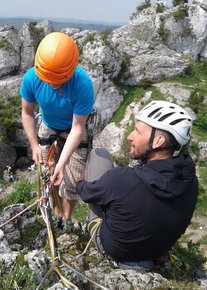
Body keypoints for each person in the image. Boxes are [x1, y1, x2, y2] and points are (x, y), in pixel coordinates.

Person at [76, 100, 198, 270]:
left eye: (137, 131)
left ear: (158, 141)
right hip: (155, 251)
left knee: (99, 154)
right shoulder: (190, 181)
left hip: (116, 250)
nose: (129, 136)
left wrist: (79, 181)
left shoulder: (123, 179)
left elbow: (86, 192)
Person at [20, 32, 94, 228]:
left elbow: (78, 128)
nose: (52, 83)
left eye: (57, 79)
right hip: (48, 125)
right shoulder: (32, 78)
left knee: (72, 180)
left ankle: (67, 217)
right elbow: (27, 113)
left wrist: (61, 164)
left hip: (73, 129)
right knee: (48, 177)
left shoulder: (82, 84)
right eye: (47, 78)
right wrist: (34, 145)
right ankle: (56, 213)